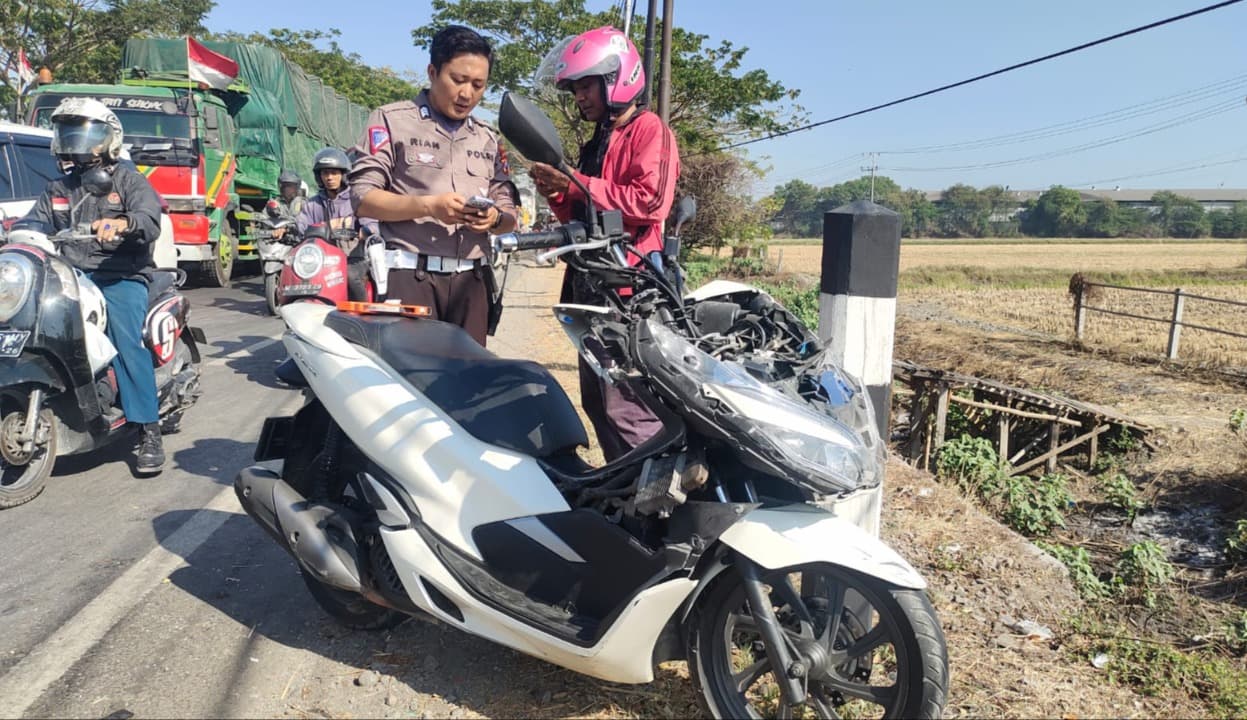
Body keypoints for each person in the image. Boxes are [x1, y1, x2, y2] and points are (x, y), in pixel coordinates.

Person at [529, 26, 681, 461]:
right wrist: (557, 192)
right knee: (598, 403)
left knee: (628, 407)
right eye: (575, 89)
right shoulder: (597, 141)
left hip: (629, 290)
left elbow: (649, 202)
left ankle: (657, 501)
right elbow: (581, 216)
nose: (580, 97)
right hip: (591, 285)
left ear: (616, 78)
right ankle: (625, 493)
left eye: (586, 86)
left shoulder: (650, 131)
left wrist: (576, 183)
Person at [350, 24, 518, 346]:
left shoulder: (487, 138)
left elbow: (510, 214)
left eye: (478, 85)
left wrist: (495, 219)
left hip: (472, 281)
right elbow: (363, 197)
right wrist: (429, 206)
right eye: (457, 80)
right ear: (432, 71)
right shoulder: (391, 120)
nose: (467, 93)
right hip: (410, 279)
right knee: (411, 383)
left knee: (468, 384)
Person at [23, 97, 166, 473]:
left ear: (109, 137)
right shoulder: (58, 186)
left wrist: (122, 224)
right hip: (71, 273)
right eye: (68, 131)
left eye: (83, 131)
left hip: (120, 273)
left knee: (126, 343)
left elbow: (149, 218)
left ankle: (148, 429)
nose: (75, 140)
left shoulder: (128, 179)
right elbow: (33, 223)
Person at [270, 168, 304, 240]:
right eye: (285, 185)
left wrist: (287, 228)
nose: (287, 189)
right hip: (279, 240)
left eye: (290, 186)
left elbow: (306, 221)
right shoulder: (275, 202)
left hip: (298, 239)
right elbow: (266, 217)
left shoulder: (303, 202)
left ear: (297, 187)